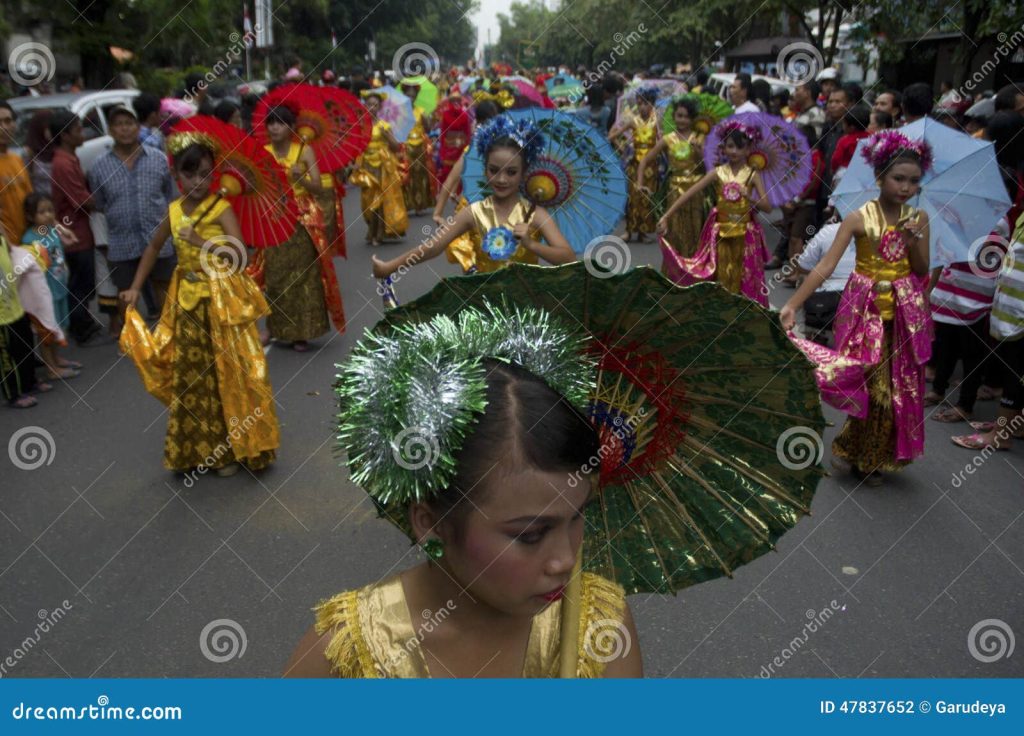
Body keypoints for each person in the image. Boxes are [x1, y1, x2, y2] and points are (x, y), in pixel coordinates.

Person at [284, 306, 641, 678]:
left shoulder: (600, 629)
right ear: (431, 522)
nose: (566, 560)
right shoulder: (346, 655)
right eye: (531, 535)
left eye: (578, 516)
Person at [781, 131, 933, 485]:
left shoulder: (919, 219)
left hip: (904, 312)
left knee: (899, 387)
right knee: (872, 386)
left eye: (913, 181)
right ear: (879, 177)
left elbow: (922, 270)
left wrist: (913, 243)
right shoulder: (857, 219)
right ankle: (863, 455)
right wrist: (791, 304)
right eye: (899, 178)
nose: (906, 187)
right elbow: (825, 266)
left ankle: (867, 451)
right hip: (864, 311)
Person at [118, 141, 279, 475]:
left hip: (221, 304)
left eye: (205, 174)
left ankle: (230, 451)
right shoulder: (174, 210)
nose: (197, 182)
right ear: (177, 175)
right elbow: (153, 246)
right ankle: (194, 450)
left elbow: (241, 256)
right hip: (186, 304)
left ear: (213, 176)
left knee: (228, 376)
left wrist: (200, 242)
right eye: (190, 174)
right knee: (193, 379)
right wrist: (135, 287)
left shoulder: (220, 209)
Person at [373, 116, 576, 279]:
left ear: (524, 173)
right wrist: (389, 267)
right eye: (494, 170)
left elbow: (568, 258)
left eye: (511, 172)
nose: (502, 179)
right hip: (483, 313)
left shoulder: (535, 214)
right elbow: (433, 247)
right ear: (485, 170)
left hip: (525, 311)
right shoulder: (473, 212)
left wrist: (532, 245)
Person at [658, 119, 772, 305]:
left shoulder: (752, 175)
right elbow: (689, 193)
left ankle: (743, 315)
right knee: (720, 274)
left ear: (748, 150)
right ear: (724, 148)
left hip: (745, 234)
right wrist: (666, 216)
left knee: (745, 276)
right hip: (720, 233)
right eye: (730, 146)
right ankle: (719, 311)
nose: (734, 152)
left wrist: (749, 197)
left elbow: (767, 206)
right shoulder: (717, 172)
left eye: (739, 148)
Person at [87, 106, 178, 338]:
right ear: (110, 130)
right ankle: (133, 339)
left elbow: (170, 195)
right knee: (126, 292)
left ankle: (168, 335)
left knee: (164, 285)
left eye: (129, 123)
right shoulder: (99, 166)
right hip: (121, 239)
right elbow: (99, 201)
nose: (125, 129)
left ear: (138, 127)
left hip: (157, 235)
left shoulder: (158, 159)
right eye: (118, 124)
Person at [261, 105, 346, 350]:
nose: (275, 128)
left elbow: (319, 188)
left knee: (303, 277)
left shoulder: (304, 152)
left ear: (291, 128)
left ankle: (302, 332)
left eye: (280, 123)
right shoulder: (262, 152)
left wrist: (302, 179)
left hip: (302, 220)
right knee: (275, 276)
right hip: (274, 219)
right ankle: (274, 328)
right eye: (271, 123)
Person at [49, 110, 103, 345]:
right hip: (75, 232)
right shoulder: (63, 163)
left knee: (84, 279)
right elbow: (80, 200)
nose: (83, 133)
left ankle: (84, 323)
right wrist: (102, 200)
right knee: (80, 281)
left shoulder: (69, 158)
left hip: (80, 229)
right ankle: (80, 328)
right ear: (65, 135)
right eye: (79, 130)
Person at [20, 193, 82, 377]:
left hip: (59, 287)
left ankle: (56, 359)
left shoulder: (51, 230)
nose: (47, 215)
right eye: (41, 212)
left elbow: (58, 254)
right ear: (30, 216)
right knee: (46, 331)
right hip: (45, 292)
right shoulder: (30, 239)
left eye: (50, 210)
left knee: (57, 325)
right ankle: (50, 368)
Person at [637, 95, 705, 261]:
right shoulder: (668, 139)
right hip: (674, 192)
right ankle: (674, 273)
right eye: (679, 115)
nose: (682, 120)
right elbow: (645, 160)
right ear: (674, 117)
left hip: (696, 193)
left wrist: (699, 151)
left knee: (697, 233)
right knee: (674, 233)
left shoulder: (699, 138)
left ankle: (694, 272)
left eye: (686, 116)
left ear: (693, 118)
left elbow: (709, 168)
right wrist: (639, 183)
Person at [350, 91, 408, 247]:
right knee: (367, 202)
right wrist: (355, 162)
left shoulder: (385, 126)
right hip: (366, 167)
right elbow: (357, 147)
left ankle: (379, 234)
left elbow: (396, 147)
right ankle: (371, 229)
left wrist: (387, 136)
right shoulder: (361, 126)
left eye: (375, 105)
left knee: (380, 201)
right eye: (368, 104)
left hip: (383, 166)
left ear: (380, 107)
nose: (371, 108)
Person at [609, 86, 659, 242]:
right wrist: (623, 147)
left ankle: (643, 233)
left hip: (651, 166)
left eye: (645, 103)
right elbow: (612, 136)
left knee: (647, 198)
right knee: (632, 198)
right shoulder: (632, 121)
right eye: (639, 103)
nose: (642, 107)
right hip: (634, 164)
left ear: (652, 104)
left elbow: (663, 142)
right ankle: (629, 231)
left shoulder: (657, 122)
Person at [0, 235, 43, 407]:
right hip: (2, 317)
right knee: (6, 357)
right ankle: (13, 395)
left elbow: (12, 253)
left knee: (25, 346)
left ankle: (29, 382)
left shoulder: (3, 241)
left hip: (16, 306)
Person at [400, 79, 436, 216]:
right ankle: (408, 204)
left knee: (421, 175)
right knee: (407, 176)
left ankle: (420, 205)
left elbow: (428, 128)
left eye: (413, 95)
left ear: (416, 96)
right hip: (406, 146)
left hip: (420, 146)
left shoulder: (421, 111)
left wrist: (427, 119)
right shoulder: (399, 112)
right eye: (408, 95)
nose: (411, 97)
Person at [0, 101, 32, 243]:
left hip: (27, 244)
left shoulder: (16, 159)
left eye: (8, 121)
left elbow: (31, 202)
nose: (4, 127)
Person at [24, 109, 55, 196]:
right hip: (42, 204)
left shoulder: (58, 148)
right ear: (39, 128)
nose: (52, 131)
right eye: (49, 128)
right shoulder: (29, 153)